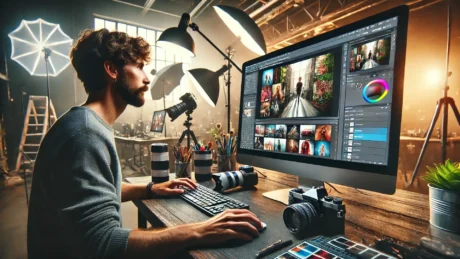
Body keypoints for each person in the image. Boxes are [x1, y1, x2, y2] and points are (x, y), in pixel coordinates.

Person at [27, 28, 263, 259]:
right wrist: (199, 230)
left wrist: (149, 189)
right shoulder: (85, 133)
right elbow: (103, 243)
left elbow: (98, 192)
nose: (147, 78)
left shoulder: (84, 123)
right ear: (111, 70)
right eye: (139, 67)